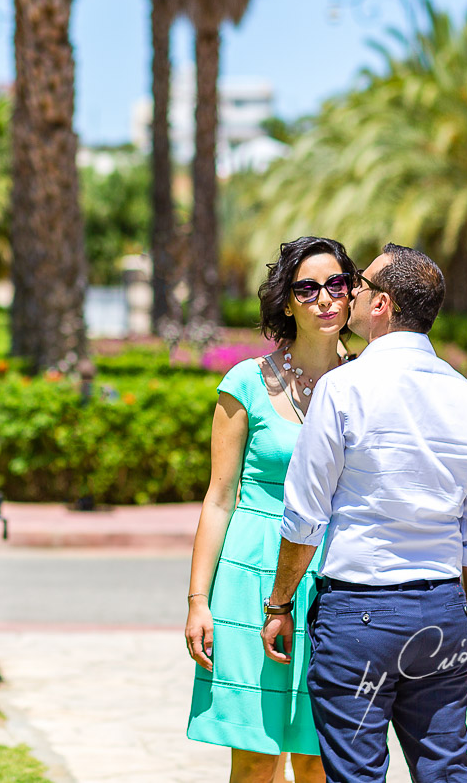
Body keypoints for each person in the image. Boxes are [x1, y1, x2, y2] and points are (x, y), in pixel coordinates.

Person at [262, 243, 467, 783]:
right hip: (442, 610)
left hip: (360, 613)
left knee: (357, 774)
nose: (351, 294)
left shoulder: (343, 389)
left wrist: (279, 604)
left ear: (383, 305)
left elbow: (304, 516)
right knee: (445, 770)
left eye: (360, 286)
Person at [186, 236, 357, 783]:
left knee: (317, 757)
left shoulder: (368, 383)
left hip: (336, 577)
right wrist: (197, 601)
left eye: (337, 285)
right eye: (308, 288)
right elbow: (219, 497)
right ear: (287, 302)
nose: (325, 298)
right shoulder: (245, 384)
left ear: (353, 295)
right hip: (250, 575)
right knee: (258, 757)